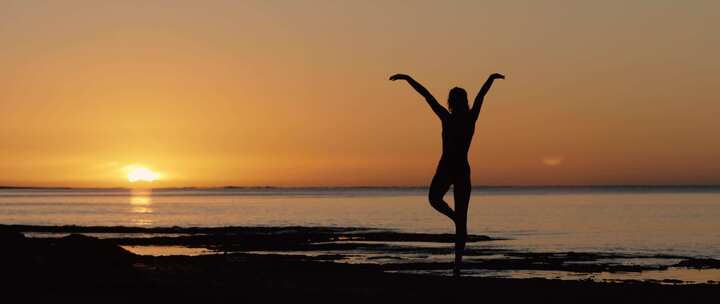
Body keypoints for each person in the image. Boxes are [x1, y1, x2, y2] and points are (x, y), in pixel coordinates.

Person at [389, 72, 505, 276]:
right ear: (454, 102)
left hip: (459, 170)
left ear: (459, 102)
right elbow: (427, 96)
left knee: (459, 218)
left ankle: (457, 263)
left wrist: (490, 80)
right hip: (447, 168)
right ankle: (456, 221)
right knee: (435, 200)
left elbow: (480, 96)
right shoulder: (449, 117)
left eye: (460, 100)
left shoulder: (467, 117)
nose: (459, 103)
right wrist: (408, 79)